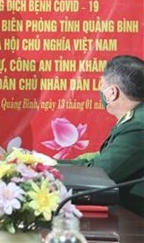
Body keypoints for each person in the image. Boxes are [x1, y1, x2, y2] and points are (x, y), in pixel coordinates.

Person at [63, 55, 144, 215]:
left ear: (112, 92)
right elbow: (97, 163)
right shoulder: (136, 118)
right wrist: (48, 164)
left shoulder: (137, 126)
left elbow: (100, 175)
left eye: (101, 87)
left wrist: (48, 171)